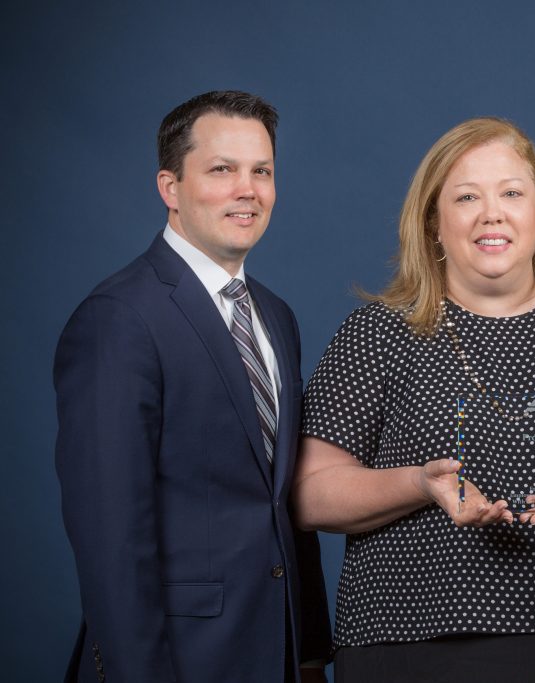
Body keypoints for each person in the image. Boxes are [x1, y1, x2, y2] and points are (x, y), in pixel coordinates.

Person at [294, 117, 535, 682]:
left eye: (512, 194)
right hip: (406, 640)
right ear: (434, 224)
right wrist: (418, 484)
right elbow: (309, 493)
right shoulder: (376, 333)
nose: (492, 213)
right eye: (467, 196)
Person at [54, 90, 330, 683]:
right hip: (175, 659)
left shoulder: (275, 317)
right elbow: (109, 534)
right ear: (170, 187)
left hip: (273, 654)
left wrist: (307, 653)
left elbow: (277, 500)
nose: (247, 190)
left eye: (262, 171)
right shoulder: (119, 317)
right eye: (222, 170)